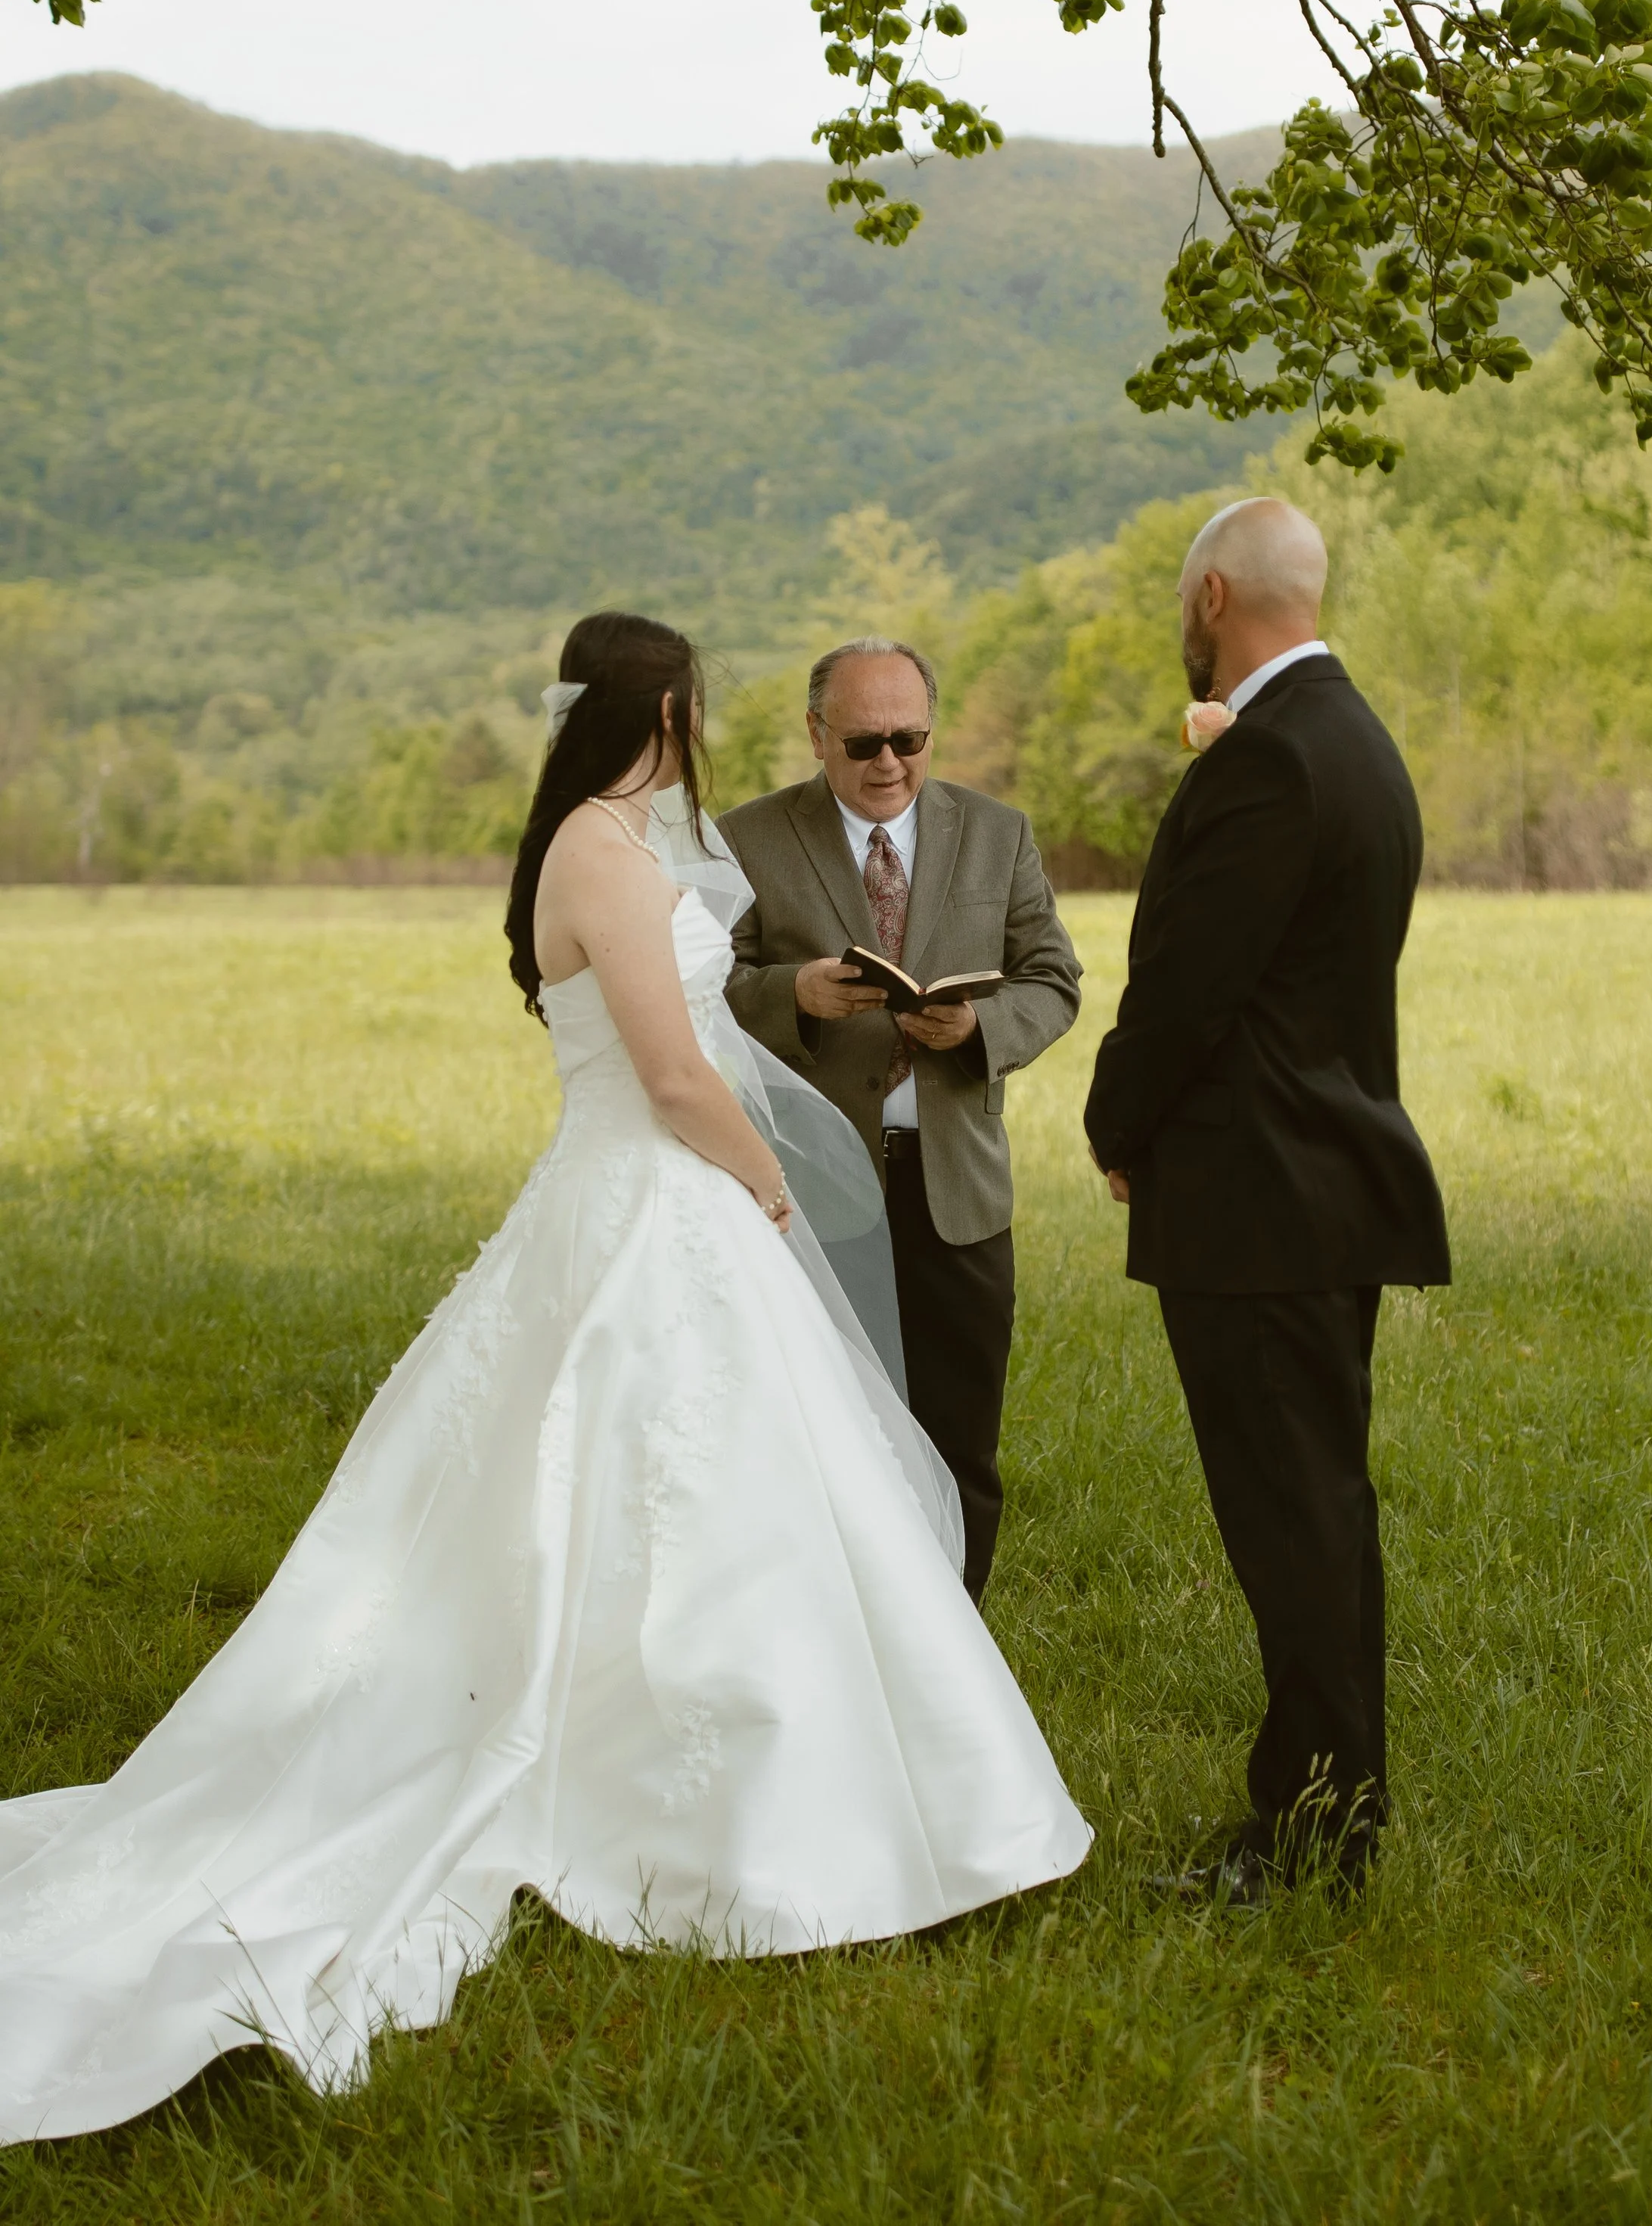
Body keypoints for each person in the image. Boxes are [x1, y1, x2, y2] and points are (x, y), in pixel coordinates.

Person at [0, 612, 1088, 2144]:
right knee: (651, 1475)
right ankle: (697, 1797)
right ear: (661, 706)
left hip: (656, 1196)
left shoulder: (617, 836)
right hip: (645, 1201)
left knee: (747, 1497)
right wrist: (765, 1192)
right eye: (690, 705)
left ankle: (795, 1768)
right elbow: (665, 1071)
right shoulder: (595, 849)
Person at [1083, 501, 1450, 1899]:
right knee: (1319, 1512)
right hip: (1323, 1186)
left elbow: (1191, 987)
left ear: (1216, 595)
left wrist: (1118, 1120)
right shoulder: (1357, 742)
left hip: (1260, 1198)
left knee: (1291, 1523)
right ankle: (1334, 1806)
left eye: (1186, 610)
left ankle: (1310, 1836)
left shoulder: (1275, 760)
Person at [719, 638, 1082, 1602]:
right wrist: (790, 994)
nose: (888, 763)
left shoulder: (996, 833)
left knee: (961, 1440)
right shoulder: (747, 837)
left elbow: (1054, 980)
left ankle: (956, 1644)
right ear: (814, 735)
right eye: (863, 743)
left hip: (956, 1188)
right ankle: (837, 1630)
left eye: (909, 740)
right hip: (809, 1190)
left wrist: (976, 1028)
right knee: (824, 1434)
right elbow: (693, 986)